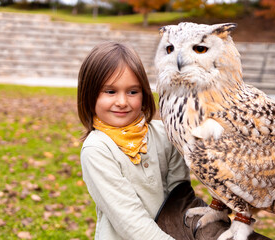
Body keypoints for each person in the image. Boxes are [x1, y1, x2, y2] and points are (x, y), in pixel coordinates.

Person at [77, 41, 191, 239]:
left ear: (144, 93)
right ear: (89, 94)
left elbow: (180, 198)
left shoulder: (166, 134)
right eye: (110, 91)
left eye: (132, 92)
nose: (122, 102)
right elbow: (130, 221)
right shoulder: (97, 149)